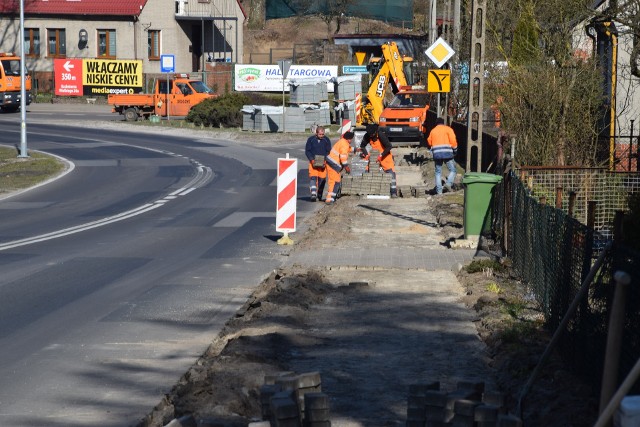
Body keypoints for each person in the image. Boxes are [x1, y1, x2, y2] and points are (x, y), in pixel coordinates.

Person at [359, 123, 398, 198]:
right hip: (374, 157)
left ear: (375, 132)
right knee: (367, 171)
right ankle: (367, 190)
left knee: (391, 173)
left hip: (385, 156)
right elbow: (362, 146)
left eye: (372, 135)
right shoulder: (367, 135)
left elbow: (389, 146)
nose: (371, 136)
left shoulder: (380, 135)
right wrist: (366, 154)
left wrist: (381, 155)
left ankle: (393, 192)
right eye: (370, 135)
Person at [427, 117, 458, 194]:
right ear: (443, 123)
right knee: (453, 170)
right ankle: (448, 184)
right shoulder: (448, 129)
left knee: (438, 172)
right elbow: (453, 141)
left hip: (437, 154)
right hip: (447, 153)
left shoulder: (433, 131)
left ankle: (439, 191)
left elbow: (429, 142)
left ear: (436, 123)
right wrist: (455, 150)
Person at [325, 131, 354, 204]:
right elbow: (343, 156)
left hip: (332, 163)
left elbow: (348, 149)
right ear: (349, 139)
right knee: (334, 182)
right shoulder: (344, 144)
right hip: (333, 164)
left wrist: (356, 149)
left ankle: (332, 198)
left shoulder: (342, 141)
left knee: (336, 181)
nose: (351, 141)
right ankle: (329, 199)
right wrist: (346, 166)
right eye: (351, 139)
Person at [304, 126, 331, 202]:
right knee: (313, 178)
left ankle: (319, 194)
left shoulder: (326, 140)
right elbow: (307, 151)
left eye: (323, 134)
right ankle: (313, 193)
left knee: (322, 180)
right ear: (316, 133)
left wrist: (325, 160)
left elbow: (328, 151)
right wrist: (312, 160)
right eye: (320, 134)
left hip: (323, 163)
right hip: (313, 163)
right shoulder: (311, 140)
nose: (322, 136)